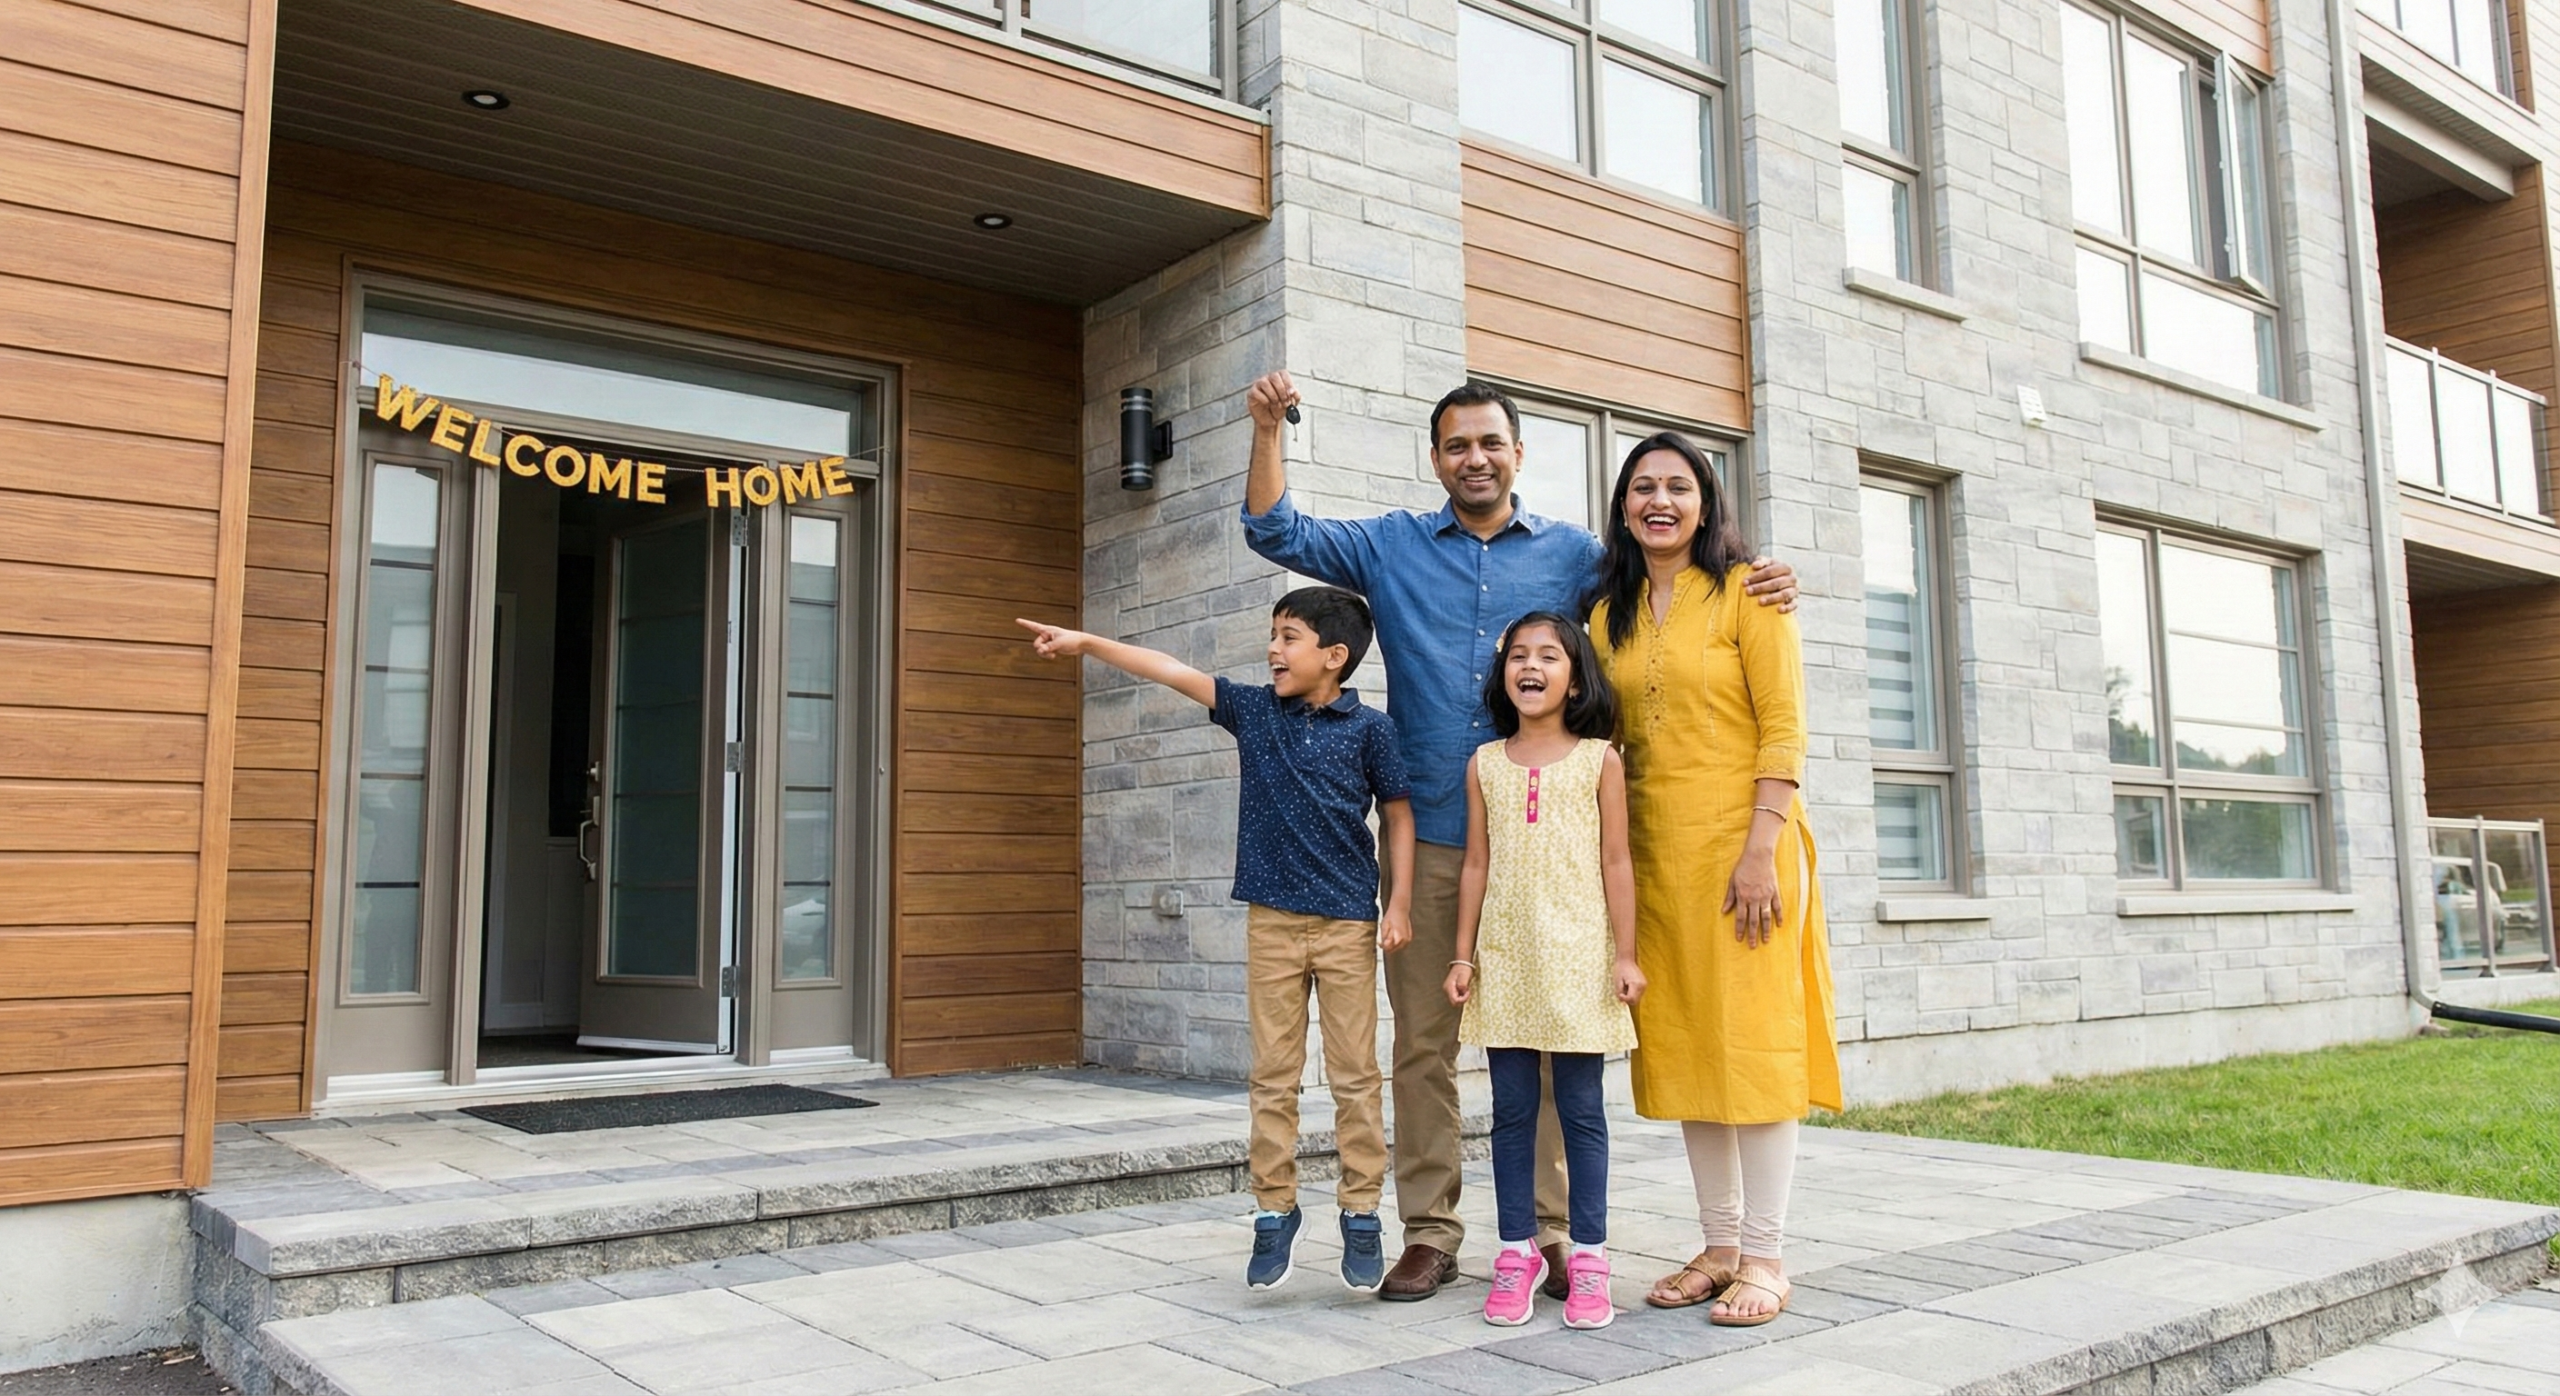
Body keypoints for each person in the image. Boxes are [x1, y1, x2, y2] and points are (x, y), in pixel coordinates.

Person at [1240, 370, 1798, 1300]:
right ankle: (1431, 1230)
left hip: (1552, 849)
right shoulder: (1390, 546)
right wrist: (1267, 432)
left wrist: (1758, 573)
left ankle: (1543, 1234)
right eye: (1457, 445)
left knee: (1541, 1046)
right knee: (1423, 1044)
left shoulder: (1577, 556)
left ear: (1518, 454)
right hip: (1435, 843)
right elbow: (1276, 531)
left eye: (1490, 443)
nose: (1475, 458)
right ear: (1436, 459)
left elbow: (1665, 573)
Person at [1017, 587, 1415, 1292]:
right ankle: (1274, 1210)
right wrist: (1087, 643)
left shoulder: (1372, 730)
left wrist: (1398, 904)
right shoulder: (1255, 711)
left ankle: (1361, 1212)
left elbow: (1399, 815)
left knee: (1356, 1076)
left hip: (1348, 923)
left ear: (1335, 655)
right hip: (1272, 921)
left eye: (1288, 637)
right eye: (1272, 634)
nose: (1272, 649)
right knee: (1272, 1077)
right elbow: (1167, 668)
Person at [1586, 432, 1839, 1328]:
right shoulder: (1604, 616)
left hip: (1747, 856)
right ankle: (1721, 1244)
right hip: (1657, 861)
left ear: (1706, 503)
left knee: (1755, 1047)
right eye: (1643, 487)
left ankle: (1767, 1256)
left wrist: (1762, 846)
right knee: (1693, 1046)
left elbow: (1784, 728)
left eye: (1678, 487)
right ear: (1622, 507)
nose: (1660, 500)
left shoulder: (1749, 595)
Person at [1444, 612, 1643, 1330]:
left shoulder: (1600, 760)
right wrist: (1463, 954)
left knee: (1584, 1113)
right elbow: (1475, 864)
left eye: (1548, 656)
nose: (1531, 666)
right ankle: (1516, 1251)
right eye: (1518, 656)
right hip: (1505, 958)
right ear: (1503, 676)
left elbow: (1617, 861)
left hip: (1582, 958)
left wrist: (1625, 954)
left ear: (1575, 674)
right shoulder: (1485, 764)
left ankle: (1589, 1256)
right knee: (1513, 1114)